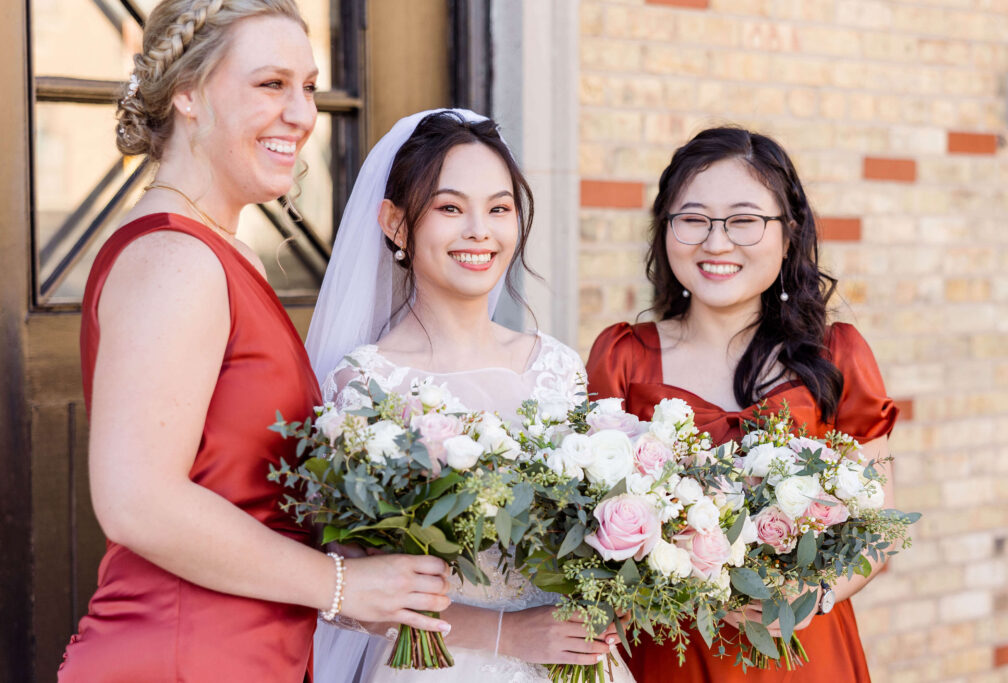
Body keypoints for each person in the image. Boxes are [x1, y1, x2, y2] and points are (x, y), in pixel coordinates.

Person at [58, 2, 450, 680]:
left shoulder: (221, 251)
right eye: (271, 85)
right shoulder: (177, 258)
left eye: (308, 85)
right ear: (187, 91)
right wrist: (340, 585)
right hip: (182, 654)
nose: (302, 114)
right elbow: (136, 498)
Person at [305, 109, 632, 683]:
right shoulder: (367, 387)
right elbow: (347, 593)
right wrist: (511, 633)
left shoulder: (557, 366)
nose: (480, 231)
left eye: (499, 209)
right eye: (450, 208)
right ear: (397, 225)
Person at [586, 126, 898, 683]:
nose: (716, 242)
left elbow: (878, 534)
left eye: (743, 219)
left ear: (788, 233)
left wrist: (813, 593)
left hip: (802, 654)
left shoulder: (837, 357)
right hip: (669, 655)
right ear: (665, 231)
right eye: (694, 219)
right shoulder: (622, 360)